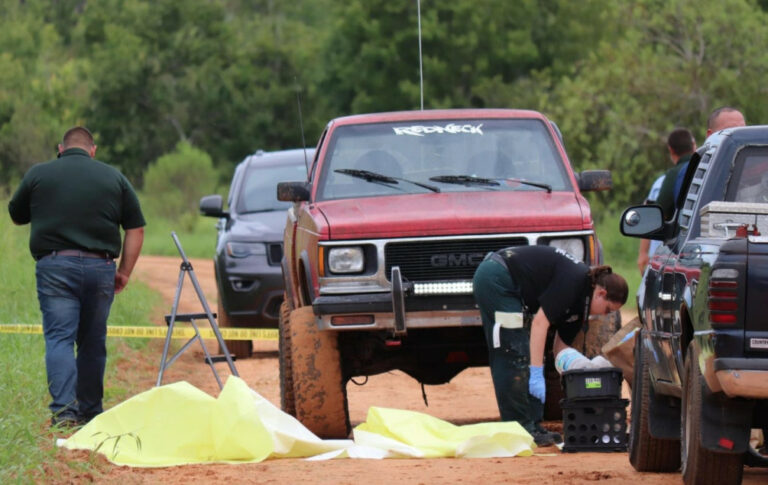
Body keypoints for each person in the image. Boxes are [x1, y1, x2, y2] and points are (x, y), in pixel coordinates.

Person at [8, 126, 145, 428]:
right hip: (100, 268)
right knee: (93, 341)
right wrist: (124, 272)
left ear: (60, 148)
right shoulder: (114, 177)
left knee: (59, 338)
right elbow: (136, 228)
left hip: (55, 267)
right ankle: (91, 413)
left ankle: (65, 413)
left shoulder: (39, 173)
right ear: (92, 150)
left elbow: (16, 214)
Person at [472, 245, 628, 446]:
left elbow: (559, 349)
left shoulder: (582, 305)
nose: (604, 315)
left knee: (532, 355)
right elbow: (540, 323)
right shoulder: (574, 281)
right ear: (600, 293)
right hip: (497, 277)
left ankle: (534, 426)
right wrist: (536, 373)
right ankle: (519, 428)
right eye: (607, 310)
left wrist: (577, 370)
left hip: (511, 285)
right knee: (513, 352)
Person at [657, 108, 745, 221]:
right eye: (729, 132)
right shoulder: (694, 171)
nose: (738, 138)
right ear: (710, 135)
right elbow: (686, 223)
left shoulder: (758, 167)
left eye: (742, 131)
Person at [653, 128, 697, 221]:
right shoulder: (708, 166)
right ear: (693, 146)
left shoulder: (674, 174)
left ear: (671, 150)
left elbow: (660, 213)